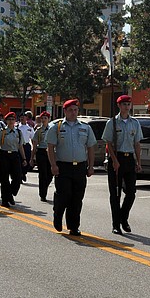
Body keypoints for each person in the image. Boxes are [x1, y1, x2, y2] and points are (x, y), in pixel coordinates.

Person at [45, 99, 96, 236]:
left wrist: (91, 166)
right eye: (70, 110)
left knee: (77, 198)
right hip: (63, 166)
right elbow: (50, 148)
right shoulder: (57, 127)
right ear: (65, 111)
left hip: (80, 167)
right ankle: (58, 214)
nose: (73, 113)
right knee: (64, 194)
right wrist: (53, 165)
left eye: (75, 110)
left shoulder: (85, 127)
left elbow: (90, 147)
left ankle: (73, 226)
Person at [102, 94, 144, 234]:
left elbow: (137, 143)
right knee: (115, 194)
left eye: (128, 104)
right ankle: (116, 224)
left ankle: (123, 217)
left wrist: (138, 161)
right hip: (116, 158)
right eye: (124, 104)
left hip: (129, 159)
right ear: (119, 106)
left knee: (131, 193)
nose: (127, 107)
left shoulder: (135, 123)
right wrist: (114, 160)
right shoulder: (112, 122)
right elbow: (108, 143)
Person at [0, 112, 27, 208]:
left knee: (17, 177)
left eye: (13, 119)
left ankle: (10, 194)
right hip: (4, 155)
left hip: (15, 155)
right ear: (6, 121)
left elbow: (20, 146)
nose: (11, 121)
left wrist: (24, 158)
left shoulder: (18, 132)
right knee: (4, 179)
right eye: (9, 119)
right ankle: (5, 200)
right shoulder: (2, 131)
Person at [30, 111, 53, 202]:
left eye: (45, 118)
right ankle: (43, 194)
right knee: (43, 173)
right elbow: (34, 145)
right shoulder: (38, 131)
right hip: (41, 152)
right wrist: (32, 158)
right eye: (42, 118)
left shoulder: (52, 130)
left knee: (50, 174)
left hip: (50, 152)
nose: (43, 120)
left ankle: (44, 186)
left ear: (49, 119)